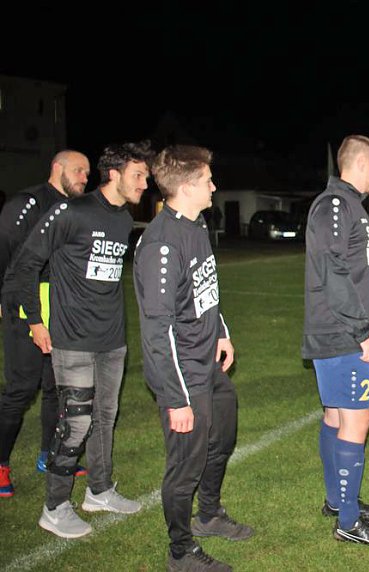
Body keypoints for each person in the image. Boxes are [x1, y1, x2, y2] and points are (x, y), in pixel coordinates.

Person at [6, 141, 154, 538]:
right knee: (75, 423)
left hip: (112, 339)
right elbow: (25, 264)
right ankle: (55, 507)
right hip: (72, 339)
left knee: (105, 417)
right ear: (115, 174)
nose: (145, 183)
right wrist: (35, 321)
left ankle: (99, 491)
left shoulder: (123, 219)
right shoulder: (71, 211)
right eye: (138, 175)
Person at [135, 145, 253, 572]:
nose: (214, 187)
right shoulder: (161, 245)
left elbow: (205, 290)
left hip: (207, 362)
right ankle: (180, 551)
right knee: (185, 465)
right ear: (186, 187)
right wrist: (176, 398)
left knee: (222, 438)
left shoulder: (196, 225)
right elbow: (157, 330)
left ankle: (209, 515)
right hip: (183, 373)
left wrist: (222, 332)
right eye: (206, 180)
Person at [302, 135, 369, 546]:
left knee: (336, 418)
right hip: (342, 334)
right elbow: (332, 269)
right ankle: (348, 522)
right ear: (360, 165)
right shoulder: (335, 205)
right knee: (357, 420)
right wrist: (363, 332)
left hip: (339, 332)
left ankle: (339, 501)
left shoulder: (348, 206)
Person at [0, 150, 90, 498]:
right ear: (57, 168)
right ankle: (1, 465)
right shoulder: (29, 202)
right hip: (25, 306)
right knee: (21, 389)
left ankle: (49, 455)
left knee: (55, 388)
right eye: (78, 170)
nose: (84, 177)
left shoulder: (77, 208)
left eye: (87, 172)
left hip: (61, 307)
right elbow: (6, 250)